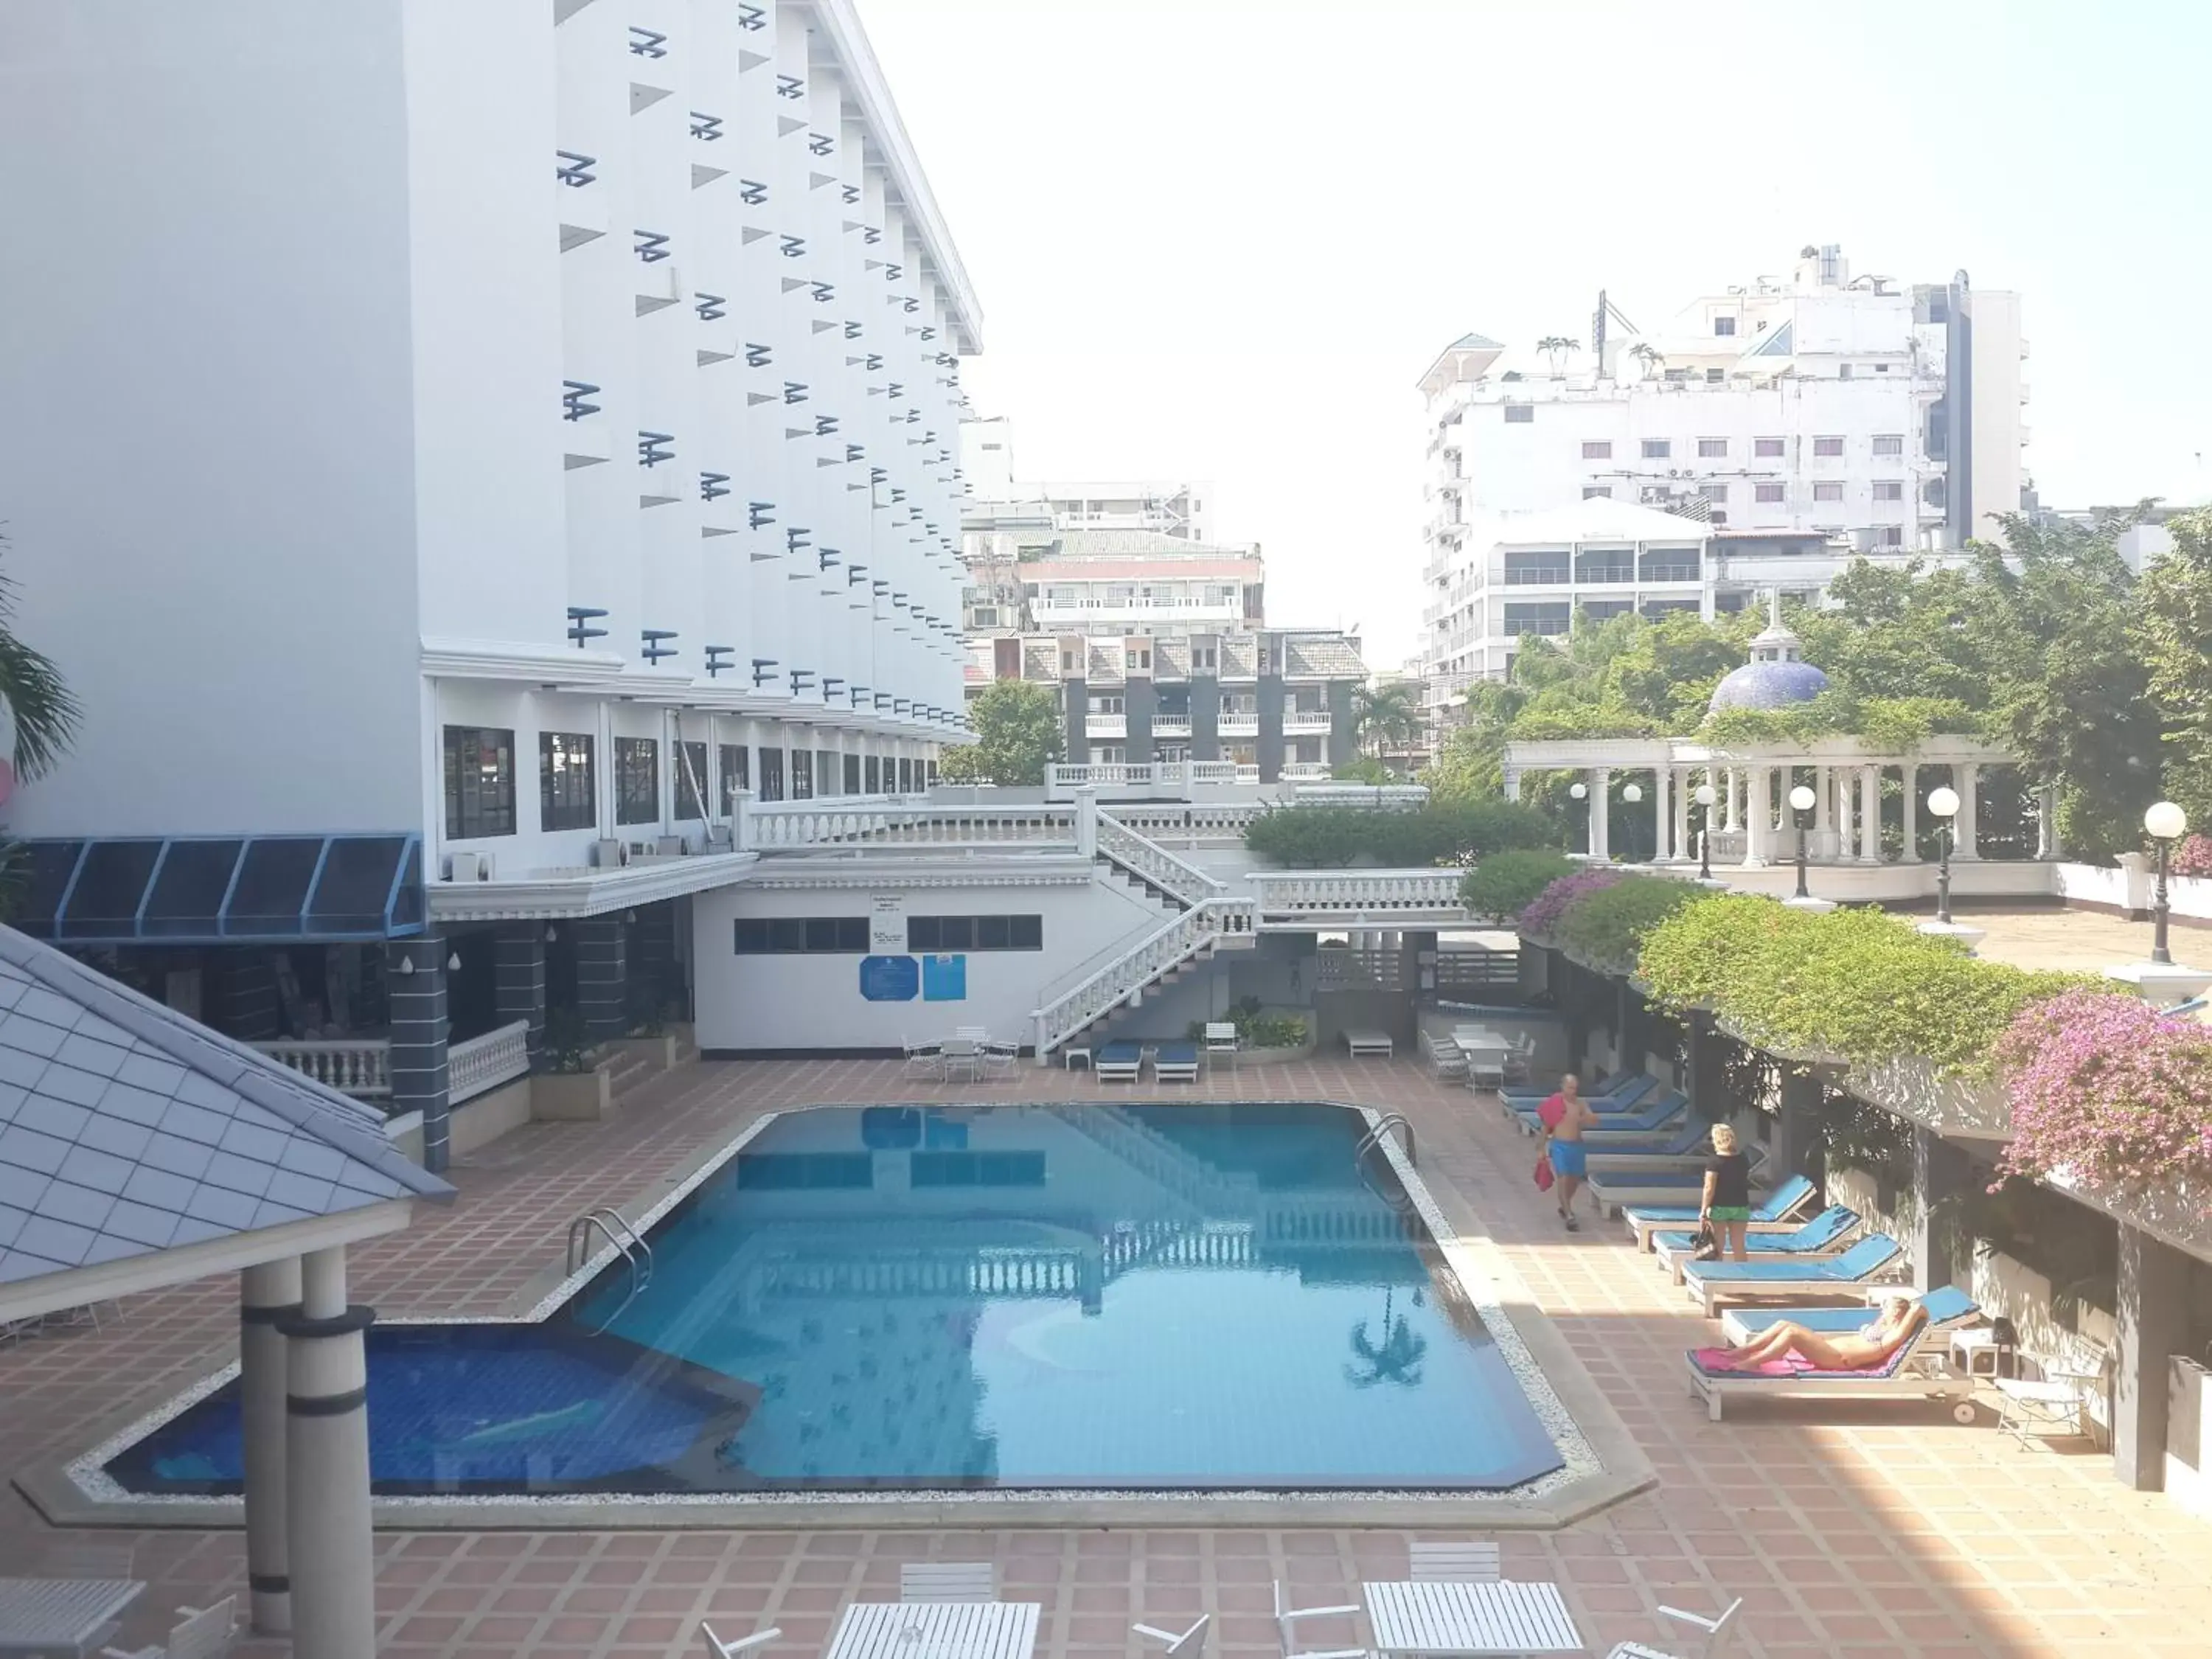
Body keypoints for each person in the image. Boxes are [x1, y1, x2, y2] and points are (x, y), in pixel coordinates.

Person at [1714, 1294, 1927, 1372]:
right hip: (1829, 1349)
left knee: (1791, 1334)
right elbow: (1888, 1315)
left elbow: (1916, 1311)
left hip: (1838, 1359)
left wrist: (1914, 1310)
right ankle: (1744, 1351)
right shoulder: (1883, 1325)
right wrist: (1890, 1311)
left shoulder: (1892, 1335)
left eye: (1888, 1307)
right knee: (1783, 1323)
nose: (1883, 1309)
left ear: (1898, 1313)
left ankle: (1752, 1362)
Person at [1540, 1074, 1598, 1231]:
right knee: (1563, 1178)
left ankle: (1565, 1205)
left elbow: (1592, 1118)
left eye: (1575, 1088)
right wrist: (1541, 1147)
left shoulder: (1580, 1103)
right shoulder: (1555, 1102)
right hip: (1560, 1146)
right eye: (1570, 1087)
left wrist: (1589, 1118)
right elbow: (1546, 1126)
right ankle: (1569, 1215)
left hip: (1577, 1146)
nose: (1572, 1091)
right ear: (1563, 1086)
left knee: (1575, 1180)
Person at [1699, 1122, 1753, 1263]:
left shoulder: (1714, 1161)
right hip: (1741, 1206)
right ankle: (1743, 1276)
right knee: (1739, 1245)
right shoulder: (1743, 1158)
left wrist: (1704, 1210)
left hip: (1719, 1207)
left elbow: (1709, 1188)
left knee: (1718, 1245)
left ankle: (1718, 1275)